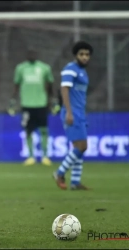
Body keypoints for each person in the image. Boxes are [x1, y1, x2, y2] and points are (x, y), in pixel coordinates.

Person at [53, 41, 93, 190]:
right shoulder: (70, 69)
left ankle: (75, 182)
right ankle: (59, 172)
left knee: (78, 147)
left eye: (87, 54)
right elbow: (64, 89)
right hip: (72, 112)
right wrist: (69, 112)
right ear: (76, 55)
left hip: (79, 112)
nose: (85, 57)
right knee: (82, 146)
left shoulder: (83, 72)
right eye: (81, 54)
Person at [8, 49, 55, 166]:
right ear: (26, 55)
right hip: (26, 105)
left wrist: (52, 101)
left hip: (41, 104)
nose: (32, 55)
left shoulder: (45, 68)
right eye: (30, 53)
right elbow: (16, 85)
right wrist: (13, 100)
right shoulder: (21, 68)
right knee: (28, 131)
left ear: (37, 55)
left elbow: (50, 85)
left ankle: (45, 156)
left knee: (44, 130)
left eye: (34, 53)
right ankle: (31, 156)